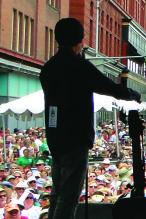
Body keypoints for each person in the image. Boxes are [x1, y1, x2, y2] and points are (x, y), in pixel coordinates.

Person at [39, 18, 140, 219]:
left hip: (55, 137)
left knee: (58, 193)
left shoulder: (49, 67)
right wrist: (132, 94)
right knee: (68, 196)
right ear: (80, 40)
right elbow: (110, 88)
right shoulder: (78, 66)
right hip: (75, 138)